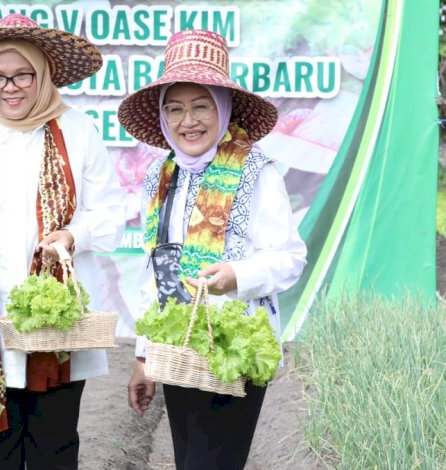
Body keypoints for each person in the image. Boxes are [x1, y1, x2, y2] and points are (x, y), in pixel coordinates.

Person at [0, 13, 125, 469]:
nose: (9, 87)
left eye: (22, 75)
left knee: (53, 444)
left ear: (44, 75)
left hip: (56, 318)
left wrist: (75, 234)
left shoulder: (77, 131)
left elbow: (112, 212)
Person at [119, 30, 307, 469]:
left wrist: (236, 276)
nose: (189, 121)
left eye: (201, 105)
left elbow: (289, 257)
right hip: (179, 351)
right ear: (164, 118)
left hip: (232, 352)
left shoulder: (256, 173)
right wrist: (144, 357)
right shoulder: (161, 177)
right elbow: (157, 276)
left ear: (223, 108)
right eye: (175, 108)